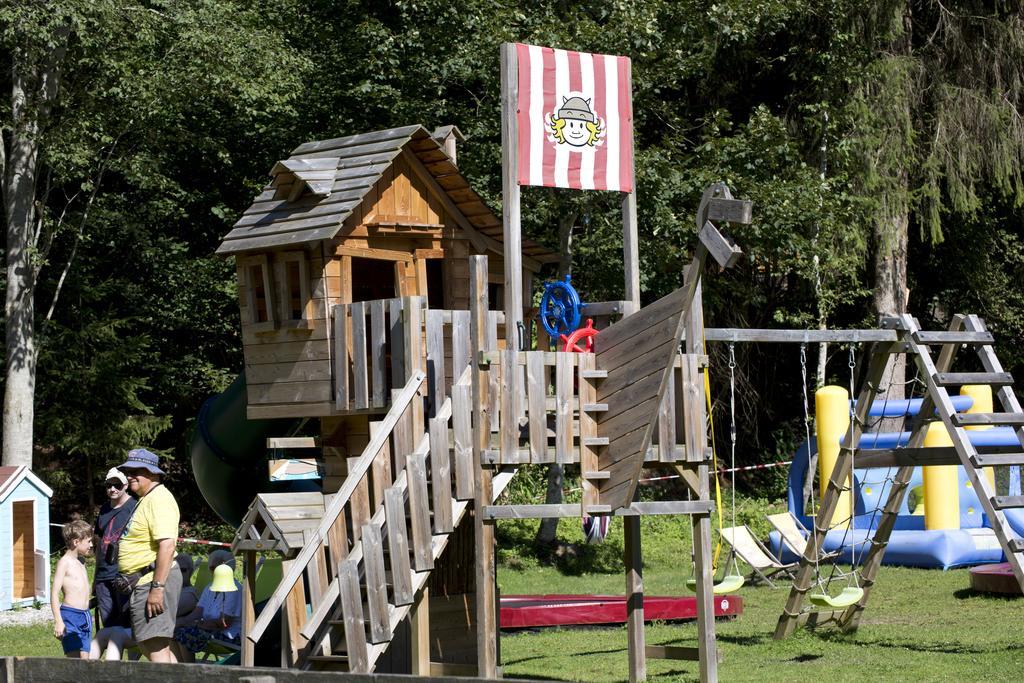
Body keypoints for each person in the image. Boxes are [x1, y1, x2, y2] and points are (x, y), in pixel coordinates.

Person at [116, 448, 182, 663]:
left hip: (152, 581)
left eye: (136, 471)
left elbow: (167, 545)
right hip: (144, 582)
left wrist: (157, 588)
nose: (129, 475)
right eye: (127, 471)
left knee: (154, 645)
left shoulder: (159, 499)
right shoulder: (147, 498)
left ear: (153, 473)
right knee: (149, 644)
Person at [93, 467, 137, 630]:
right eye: (109, 485)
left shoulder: (135, 507)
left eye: (117, 485)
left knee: (127, 624)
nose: (112, 489)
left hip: (124, 574)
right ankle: (114, 655)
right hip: (103, 575)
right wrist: (95, 577)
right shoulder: (104, 509)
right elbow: (99, 542)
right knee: (109, 625)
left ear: (125, 485)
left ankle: (127, 656)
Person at [172, 563, 242, 663]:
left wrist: (197, 624)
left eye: (214, 567)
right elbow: (197, 613)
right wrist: (181, 622)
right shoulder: (210, 587)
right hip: (208, 630)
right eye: (212, 567)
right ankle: (177, 668)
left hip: (229, 636)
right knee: (172, 631)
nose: (212, 570)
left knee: (184, 635)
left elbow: (224, 624)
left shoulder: (234, 589)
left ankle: (188, 671)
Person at [51, 520, 95, 659]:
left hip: (85, 615)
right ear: (76, 542)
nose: (91, 545)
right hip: (70, 616)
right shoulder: (64, 563)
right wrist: (58, 621)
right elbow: (54, 594)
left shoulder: (81, 561)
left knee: (85, 660)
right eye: (88, 541)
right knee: (74, 661)